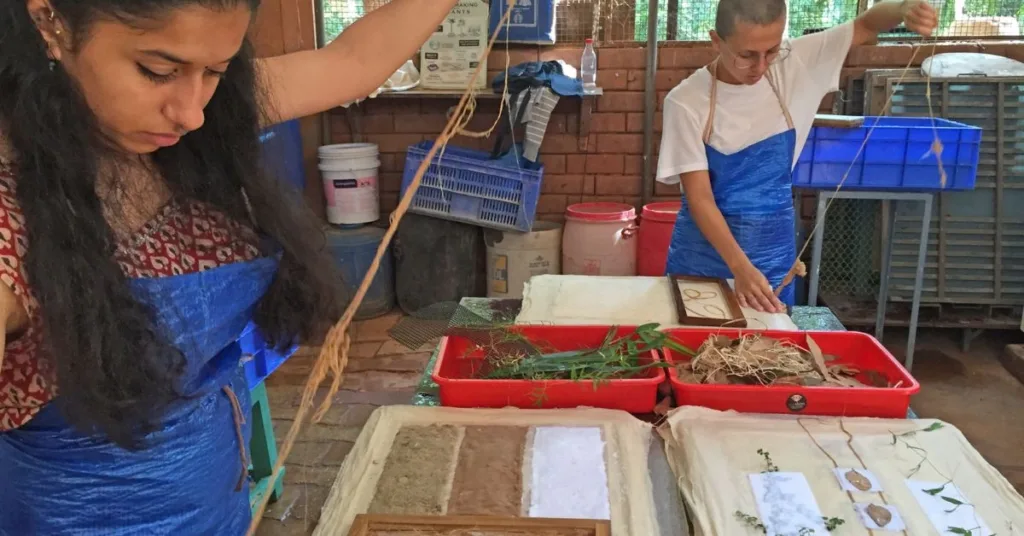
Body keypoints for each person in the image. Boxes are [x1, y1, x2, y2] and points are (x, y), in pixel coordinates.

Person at [0, 0, 465, 533]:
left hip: (219, 504)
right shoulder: (11, 215)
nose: (192, 112)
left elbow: (354, 61)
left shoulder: (182, 121)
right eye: (157, 71)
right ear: (49, 23)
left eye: (216, 72)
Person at [657, 0, 937, 313]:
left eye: (772, 51)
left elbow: (868, 24)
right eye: (746, 55)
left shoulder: (798, 62)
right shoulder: (685, 102)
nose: (761, 67)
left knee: (767, 355)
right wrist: (741, 268)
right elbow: (700, 199)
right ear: (716, 41)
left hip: (772, 257)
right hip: (701, 258)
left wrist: (903, 9)